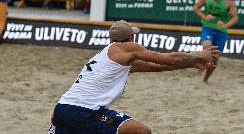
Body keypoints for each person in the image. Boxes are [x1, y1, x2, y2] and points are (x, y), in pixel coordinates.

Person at [47, 20, 220, 134]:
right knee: (141, 132)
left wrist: (190, 63)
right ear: (131, 38)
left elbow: (157, 67)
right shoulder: (126, 49)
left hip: (62, 109)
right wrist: (199, 55)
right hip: (84, 112)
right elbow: (168, 58)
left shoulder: (109, 56)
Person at [193, 0, 239, 83]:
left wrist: (225, 25)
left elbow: (235, 17)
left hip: (221, 31)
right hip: (208, 27)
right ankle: (202, 63)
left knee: (215, 59)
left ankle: (206, 78)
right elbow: (196, 8)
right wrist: (205, 17)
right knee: (207, 46)